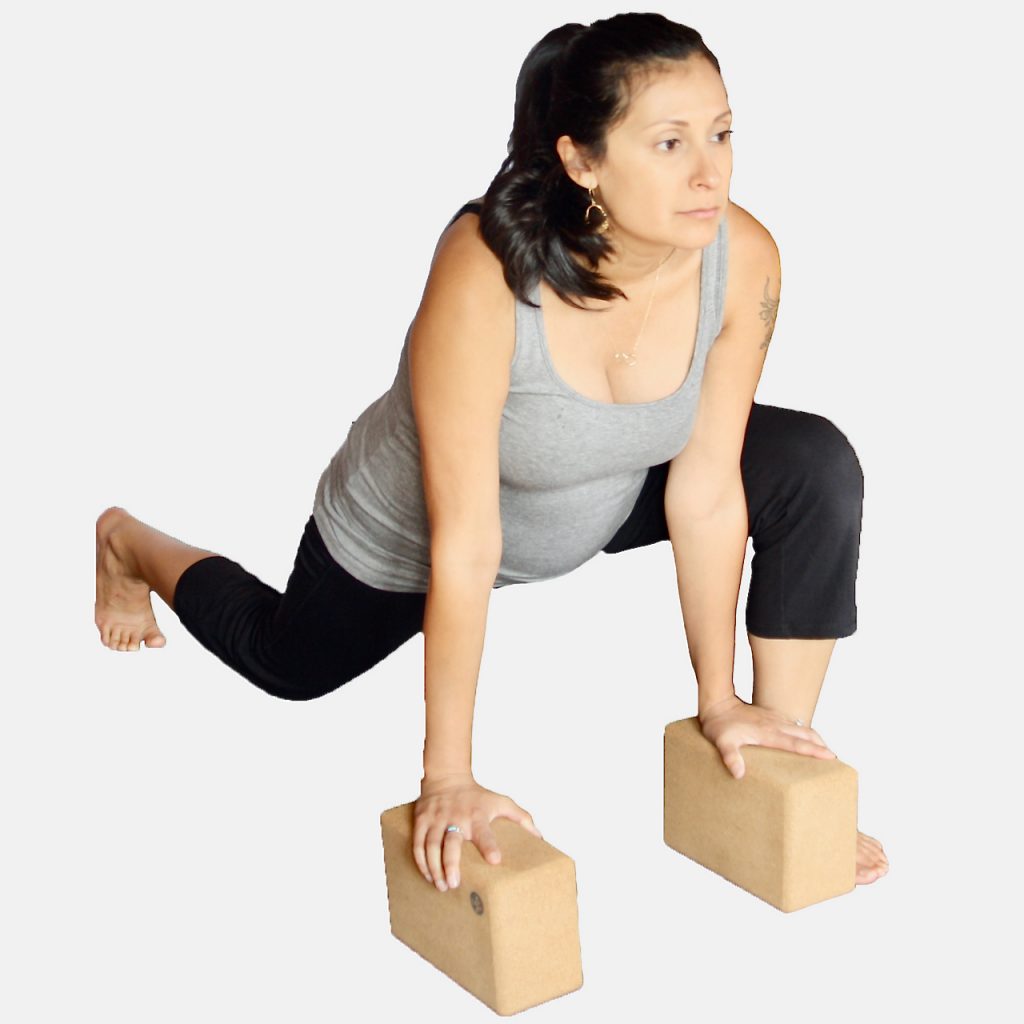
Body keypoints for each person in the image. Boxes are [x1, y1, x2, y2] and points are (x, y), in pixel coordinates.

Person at [94, 13, 888, 897]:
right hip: (420, 527)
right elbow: (465, 540)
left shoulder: (744, 257)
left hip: (603, 483)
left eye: (722, 132)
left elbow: (705, 487)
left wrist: (720, 700)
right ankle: (130, 543)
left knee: (808, 462)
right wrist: (449, 779)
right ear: (583, 162)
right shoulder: (486, 274)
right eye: (668, 143)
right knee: (290, 666)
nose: (711, 171)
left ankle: (779, 768)